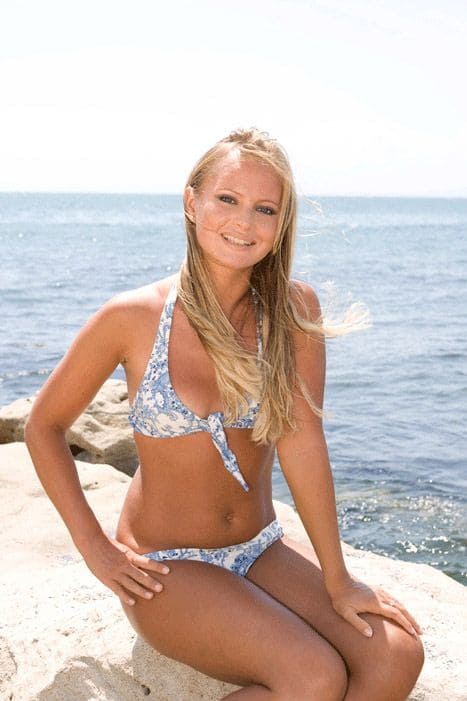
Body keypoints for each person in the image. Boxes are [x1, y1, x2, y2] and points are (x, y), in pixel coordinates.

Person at [25, 128, 424, 700]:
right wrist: (95, 548)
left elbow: (303, 443)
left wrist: (338, 579)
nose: (245, 221)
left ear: (281, 223)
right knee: (314, 677)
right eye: (228, 199)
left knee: (396, 656)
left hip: (261, 548)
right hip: (167, 565)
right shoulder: (132, 317)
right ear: (192, 203)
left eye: (265, 208)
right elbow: (43, 426)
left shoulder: (293, 311)